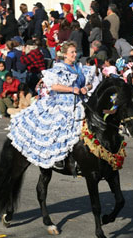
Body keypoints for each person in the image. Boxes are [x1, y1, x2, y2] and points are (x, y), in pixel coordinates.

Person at [7, 41, 93, 170]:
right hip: (63, 102)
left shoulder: (80, 67)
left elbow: (89, 83)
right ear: (65, 54)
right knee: (61, 128)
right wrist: (71, 89)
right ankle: (59, 158)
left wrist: (86, 87)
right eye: (72, 52)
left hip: (80, 101)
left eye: (75, 52)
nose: (74, 55)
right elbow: (54, 86)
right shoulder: (59, 68)